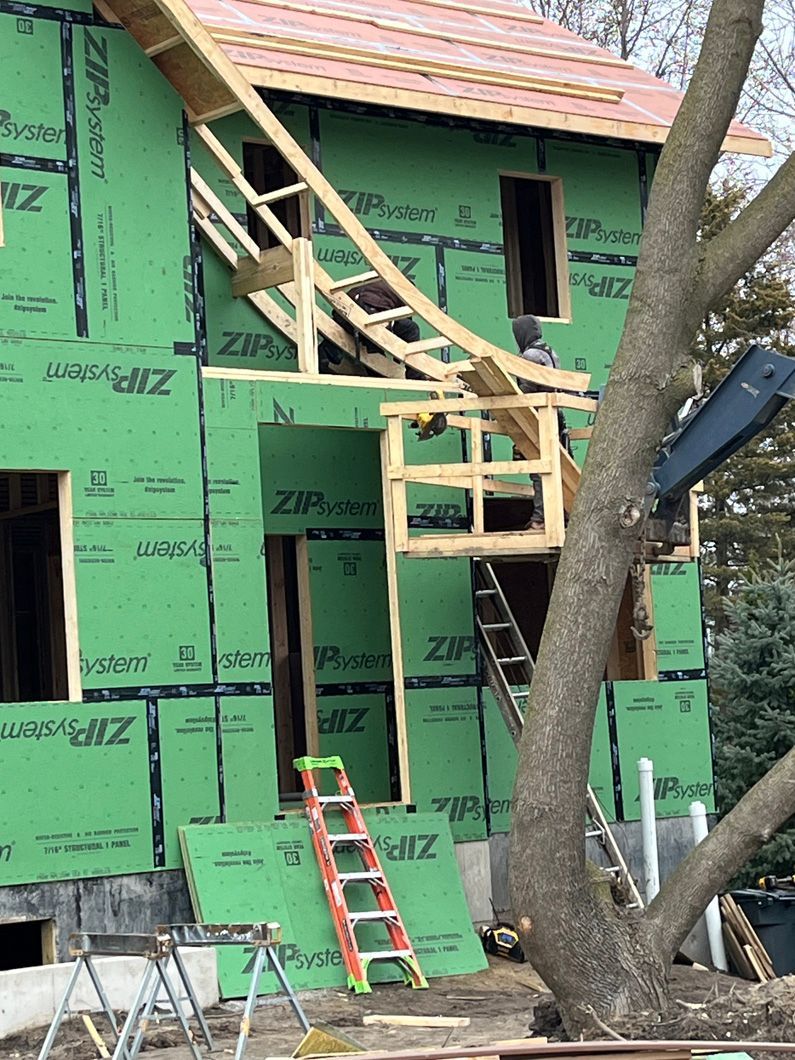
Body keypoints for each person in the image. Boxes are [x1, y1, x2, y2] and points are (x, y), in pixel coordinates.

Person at [511, 314, 568, 532]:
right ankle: (559, 516)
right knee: (555, 469)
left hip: (538, 420)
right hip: (555, 417)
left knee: (539, 471)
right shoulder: (549, 351)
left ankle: (540, 519)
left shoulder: (530, 355)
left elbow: (527, 391)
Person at [319, 278, 422, 379]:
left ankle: (321, 359)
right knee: (411, 329)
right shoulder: (404, 290)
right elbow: (405, 322)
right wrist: (398, 356)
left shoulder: (377, 283)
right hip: (370, 312)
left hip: (344, 312)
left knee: (347, 334)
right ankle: (415, 376)